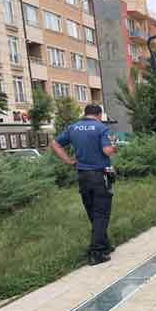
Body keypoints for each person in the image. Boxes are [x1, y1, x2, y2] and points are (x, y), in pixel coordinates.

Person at [51, 104, 117, 266]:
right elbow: (107, 151)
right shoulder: (101, 128)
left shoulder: (73, 128)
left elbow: (55, 144)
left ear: (85, 114)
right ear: (99, 115)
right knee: (101, 212)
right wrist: (114, 146)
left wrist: (68, 160)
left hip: (82, 175)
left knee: (93, 212)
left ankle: (105, 244)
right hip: (100, 175)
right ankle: (96, 252)